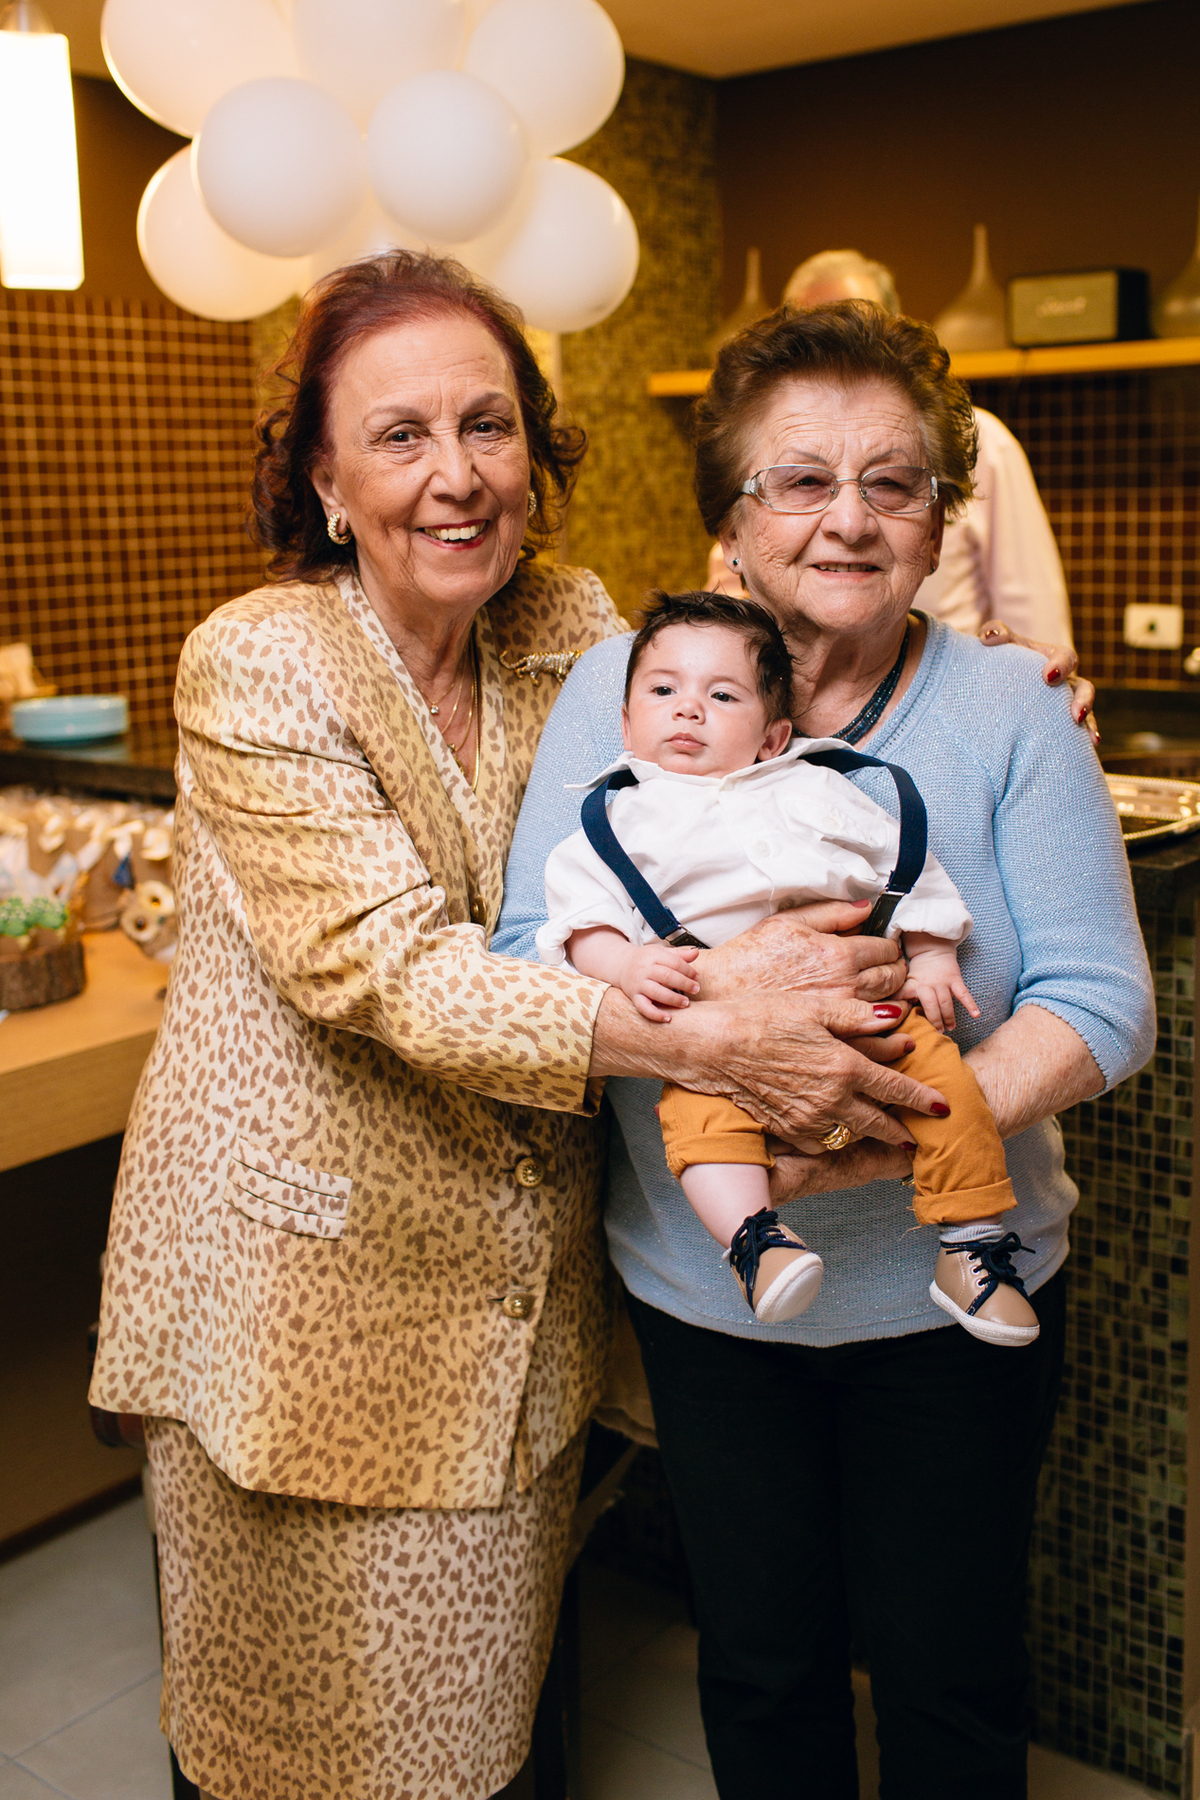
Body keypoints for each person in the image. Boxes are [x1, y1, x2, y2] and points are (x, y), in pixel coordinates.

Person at [88, 255, 952, 1800]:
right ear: (324, 477)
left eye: (489, 426)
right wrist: (713, 1041)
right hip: (297, 1291)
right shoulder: (261, 657)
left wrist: (983, 688)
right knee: (277, 1741)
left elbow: (746, 725)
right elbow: (384, 966)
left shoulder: (573, 622)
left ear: (537, 455)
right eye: (401, 435)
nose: (456, 475)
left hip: (514, 1298)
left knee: (483, 1741)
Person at [493, 299, 1155, 1798]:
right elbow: (526, 948)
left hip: (953, 1310)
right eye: (798, 479)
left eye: (894, 481)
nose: (846, 520)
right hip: (715, 1301)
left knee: (951, 1682)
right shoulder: (626, 688)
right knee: (765, 1669)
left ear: (941, 518)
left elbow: (1104, 1000)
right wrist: (726, 1023)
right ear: (733, 516)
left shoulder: (1010, 708)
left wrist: (877, 1127)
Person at [538, 589, 1038, 1345]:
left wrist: (933, 951)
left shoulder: (815, 788)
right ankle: (756, 1244)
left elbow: (905, 866)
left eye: (722, 695)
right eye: (664, 691)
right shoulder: (613, 824)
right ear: (626, 723)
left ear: (773, 737)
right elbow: (578, 925)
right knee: (697, 1122)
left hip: (869, 1020)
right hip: (721, 1043)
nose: (687, 710)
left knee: (947, 1091)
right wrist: (628, 964)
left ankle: (970, 1246)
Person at [706, 247, 1076, 652]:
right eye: (806, 481)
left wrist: (1035, 689)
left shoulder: (980, 440)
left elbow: (1035, 614)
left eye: (891, 484)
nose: (850, 524)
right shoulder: (762, 481)